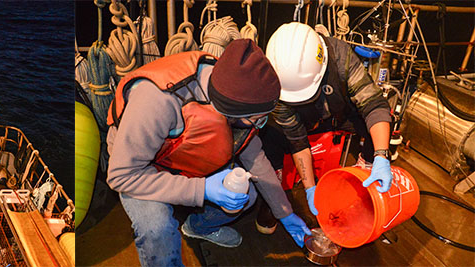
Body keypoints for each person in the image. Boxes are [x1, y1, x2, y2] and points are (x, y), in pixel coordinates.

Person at [105, 39, 310, 266]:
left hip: (184, 155)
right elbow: (121, 176)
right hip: (140, 169)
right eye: (258, 119)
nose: (260, 125)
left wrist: (284, 212)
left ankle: (198, 227)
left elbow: (254, 157)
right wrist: (202, 190)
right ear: (232, 111)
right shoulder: (156, 101)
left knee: (246, 194)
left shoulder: (234, 93)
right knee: (158, 229)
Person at [259, 22, 393, 220]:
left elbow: (373, 103)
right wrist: (310, 188)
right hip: (306, 120)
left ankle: (369, 168)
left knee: (378, 122)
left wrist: (381, 153)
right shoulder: (276, 83)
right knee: (270, 133)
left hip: (341, 114)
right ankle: (274, 192)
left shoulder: (341, 57)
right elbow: (297, 141)